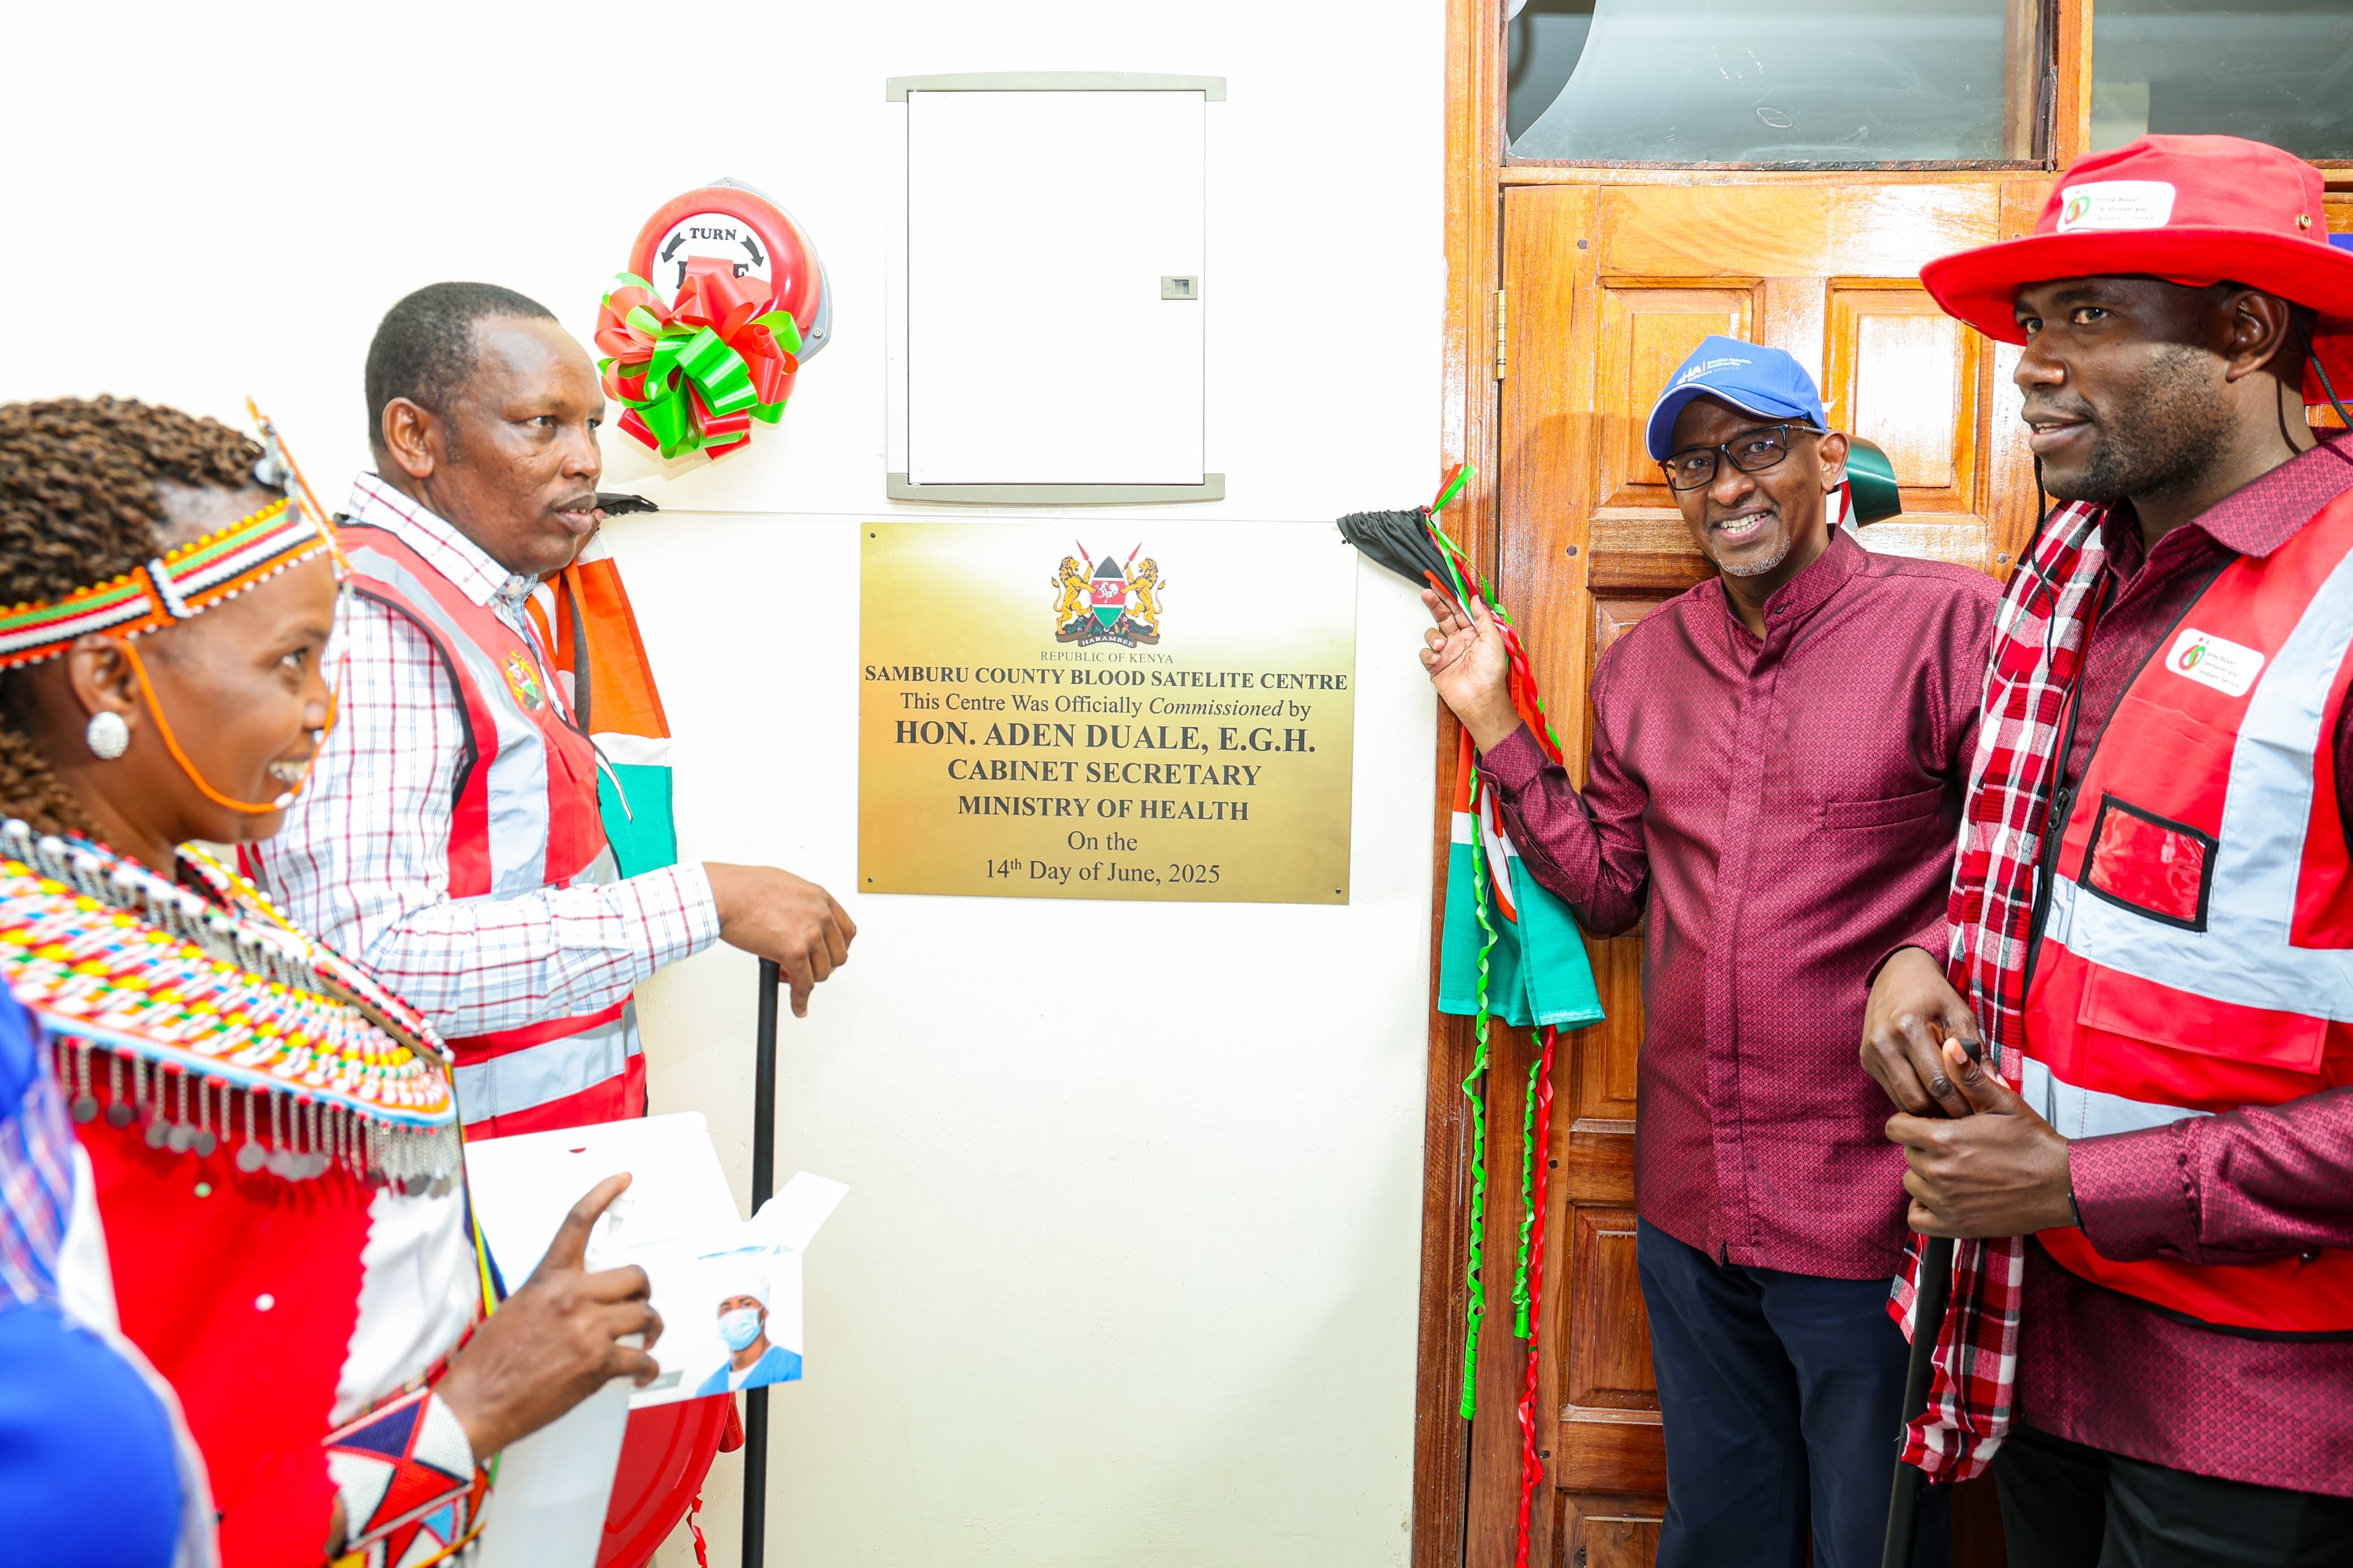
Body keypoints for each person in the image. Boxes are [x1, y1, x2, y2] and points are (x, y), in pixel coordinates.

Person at [0, 395, 665, 1565]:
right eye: (291, 662)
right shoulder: (36, 1015)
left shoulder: (187, 890)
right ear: (109, 676)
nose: (324, 709)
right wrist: (470, 1414)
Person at [1420, 338, 1996, 1568]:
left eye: (1757, 448)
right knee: (1719, 1531)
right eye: (1694, 464)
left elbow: (2027, 867)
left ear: (1826, 459)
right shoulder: (1643, 668)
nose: (1727, 486)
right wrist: (1494, 721)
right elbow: (1611, 890)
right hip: (1689, 1199)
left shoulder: (1951, 630)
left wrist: (1931, 946)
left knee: (1871, 1539)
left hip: (1872, 1201)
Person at [1862, 133, 2353, 1565]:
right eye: (2033, 322)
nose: (2032, 363)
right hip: (2035, 1340)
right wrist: (1921, 958)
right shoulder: (2072, 578)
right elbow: (2070, 895)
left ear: (2246, 332)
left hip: (2256, 1400)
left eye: (2091, 316)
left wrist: (2080, 1180)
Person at [248, 281, 854, 1138]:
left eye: (593, 426)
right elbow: (366, 962)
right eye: (544, 424)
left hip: (534, 1177)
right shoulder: (372, 624)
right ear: (415, 436)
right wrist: (702, 900)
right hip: (449, 1202)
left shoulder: (478, 598)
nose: (587, 460)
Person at [693, 1264, 800, 1397]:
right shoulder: (707, 1389)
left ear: (764, 1311)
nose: (735, 1315)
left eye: (745, 1304)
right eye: (726, 1309)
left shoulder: (794, 1368)